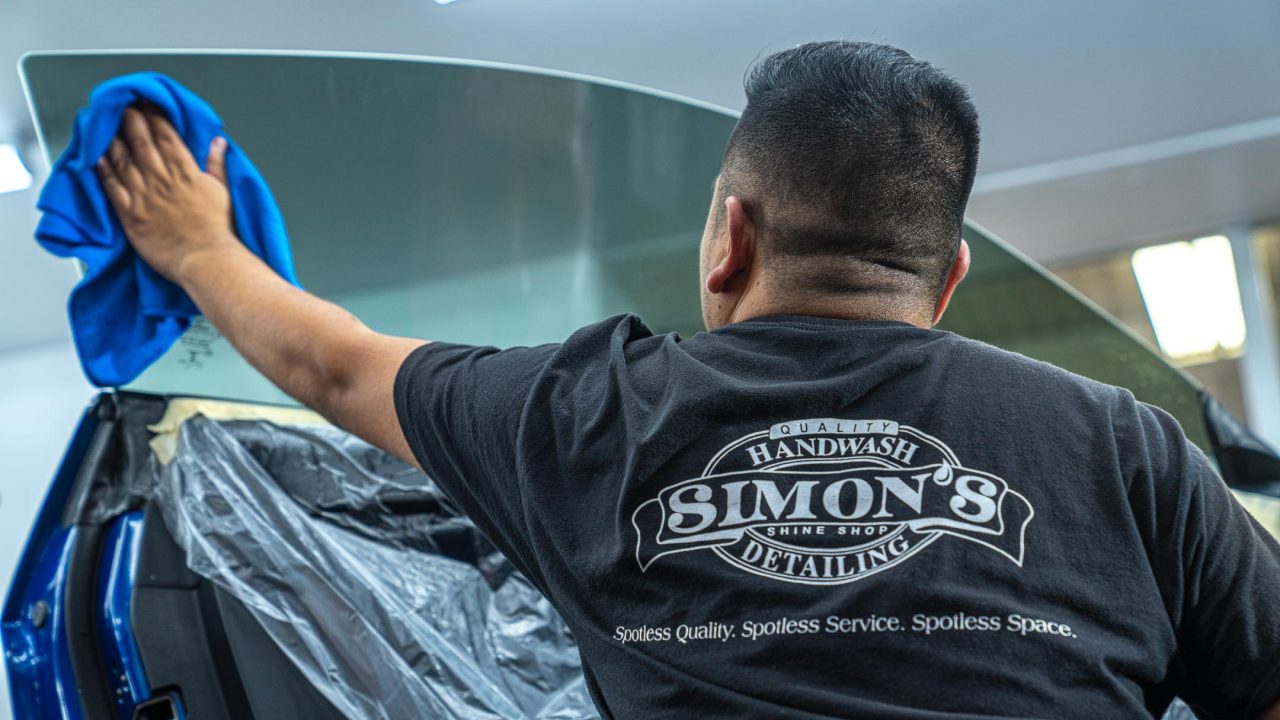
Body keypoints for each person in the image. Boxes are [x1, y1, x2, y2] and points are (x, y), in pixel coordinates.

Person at [95, 40, 1280, 719]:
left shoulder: (587, 416)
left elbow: (332, 366)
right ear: (949, 275)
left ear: (727, 239)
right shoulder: (1122, 450)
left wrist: (197, 247)